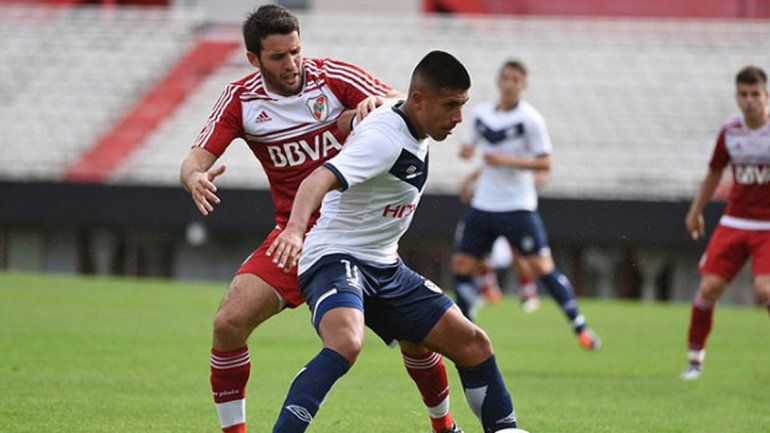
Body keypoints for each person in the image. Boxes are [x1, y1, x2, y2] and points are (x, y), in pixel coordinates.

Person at [179, 5, 462, 433]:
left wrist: (366, 108)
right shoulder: (241, 99)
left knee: (418, 337)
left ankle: (444, 426)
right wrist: (194, 177)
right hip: (293, 238)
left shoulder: (333, 77)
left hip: (356, 237)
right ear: (254, 60)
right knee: (229, 322)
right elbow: (195, 159)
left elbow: (402, 107)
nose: (292, 64)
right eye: (278, 57)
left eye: (296, 51)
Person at [267, 51, 527, 433]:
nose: (457, 118)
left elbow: (343, 127)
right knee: (346, 343)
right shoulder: (384, 142)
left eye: (462, 106)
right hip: (335, 256)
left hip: (384, 266)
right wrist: (293, 230)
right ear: (419, 100)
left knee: (474, 343)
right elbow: (316, 180)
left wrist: (353, 118)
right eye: (450, 105)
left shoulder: (400, 117)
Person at [451, 59, 600, 350]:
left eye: (515, 79)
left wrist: (505, 161)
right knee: (462, 262)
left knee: (541, 266)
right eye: (505, 78)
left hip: (518, 205)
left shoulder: (531, 120)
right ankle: (465, 333)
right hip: (484, 203)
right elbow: (474, 152)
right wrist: (469, 165)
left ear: (524, 85)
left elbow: (545, 161)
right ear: (498, 81)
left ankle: (580, 326)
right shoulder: (481, 115)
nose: (509, 83)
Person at [681, 65, 770, 380]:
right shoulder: (730, 132)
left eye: (755, 94)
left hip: (767, 226)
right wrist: (696, 210)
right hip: (735, 219)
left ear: (766, 95)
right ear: (736, 97)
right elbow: (715, 172)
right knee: (709, 288)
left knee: (765, 291)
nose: (749, 101)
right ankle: (694, 360)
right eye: (744, 95)